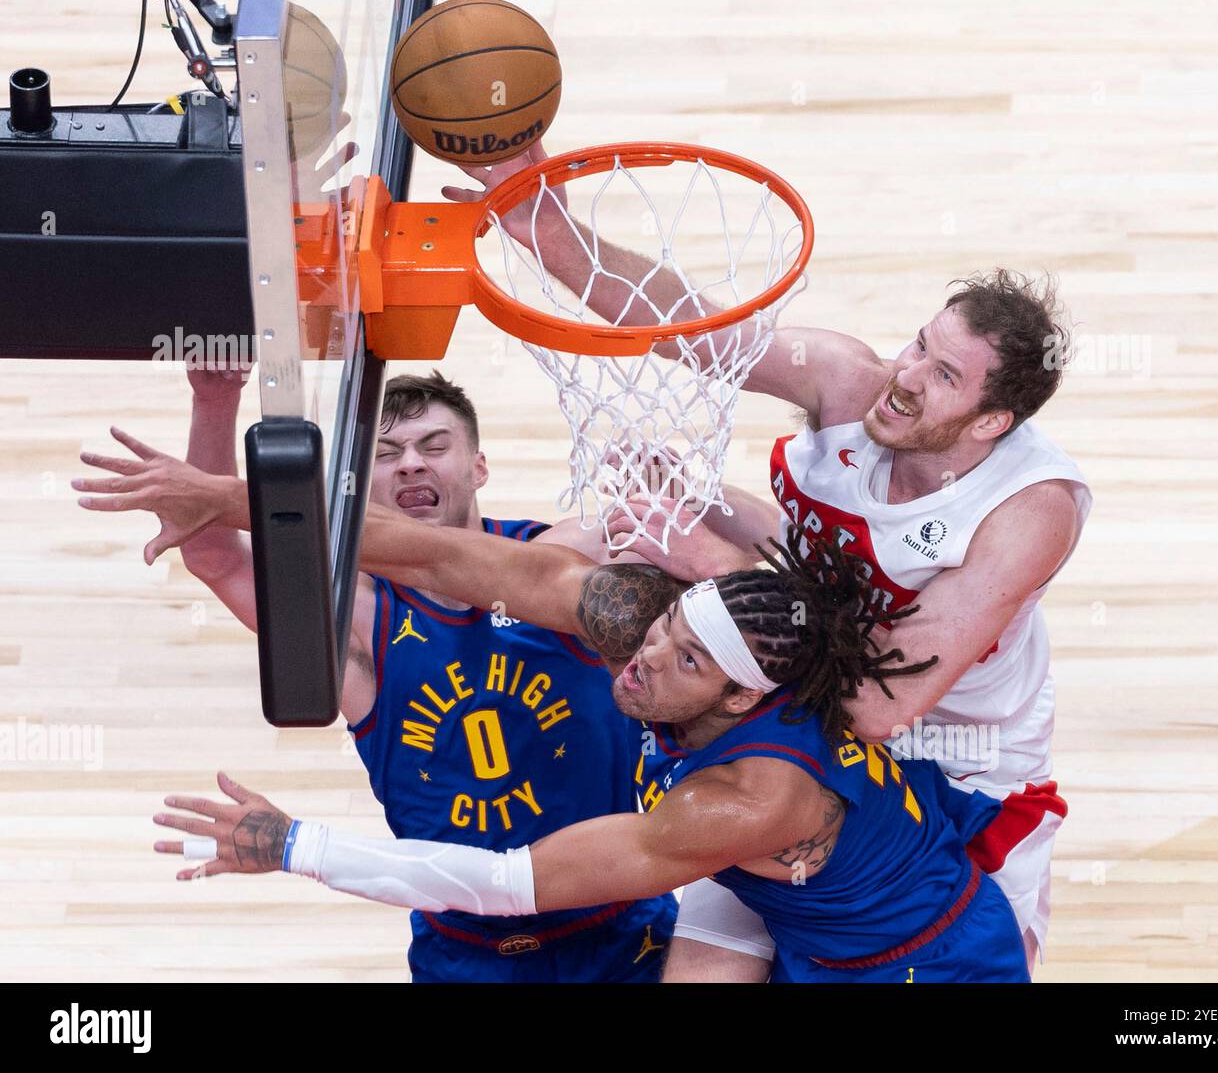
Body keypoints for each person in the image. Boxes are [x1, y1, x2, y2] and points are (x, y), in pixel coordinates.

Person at [441, 144, 1092, 972]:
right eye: (918, 345)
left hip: (954, 764)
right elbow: (687, 325)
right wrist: (548, 226)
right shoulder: (849, 381)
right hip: (790, 727)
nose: (906, 375)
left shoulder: (1028, 512)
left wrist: (717, 565)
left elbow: (875, 703)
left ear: (990, 423)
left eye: (944, 374)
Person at [141, 498, 1029, 983]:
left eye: (682, 657)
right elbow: (448, 557)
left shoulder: (746, 798)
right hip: (815, 924)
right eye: (664, 625)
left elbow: (505, 882)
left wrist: (295, 843)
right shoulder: (661, 638)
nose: (644, 657)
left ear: (735, 694)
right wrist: (236, 499)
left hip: (924, 960)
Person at [84, 366, 676, 983]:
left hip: (622, 927)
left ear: (478, 467)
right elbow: (214, 555)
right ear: (360, 490)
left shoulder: (565, 563)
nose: (412, 465)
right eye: (388, 454)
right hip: (465, 949)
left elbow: (701, 551)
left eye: (435, 446)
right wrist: (216, 397)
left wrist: (676, 488)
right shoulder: (355, 615)